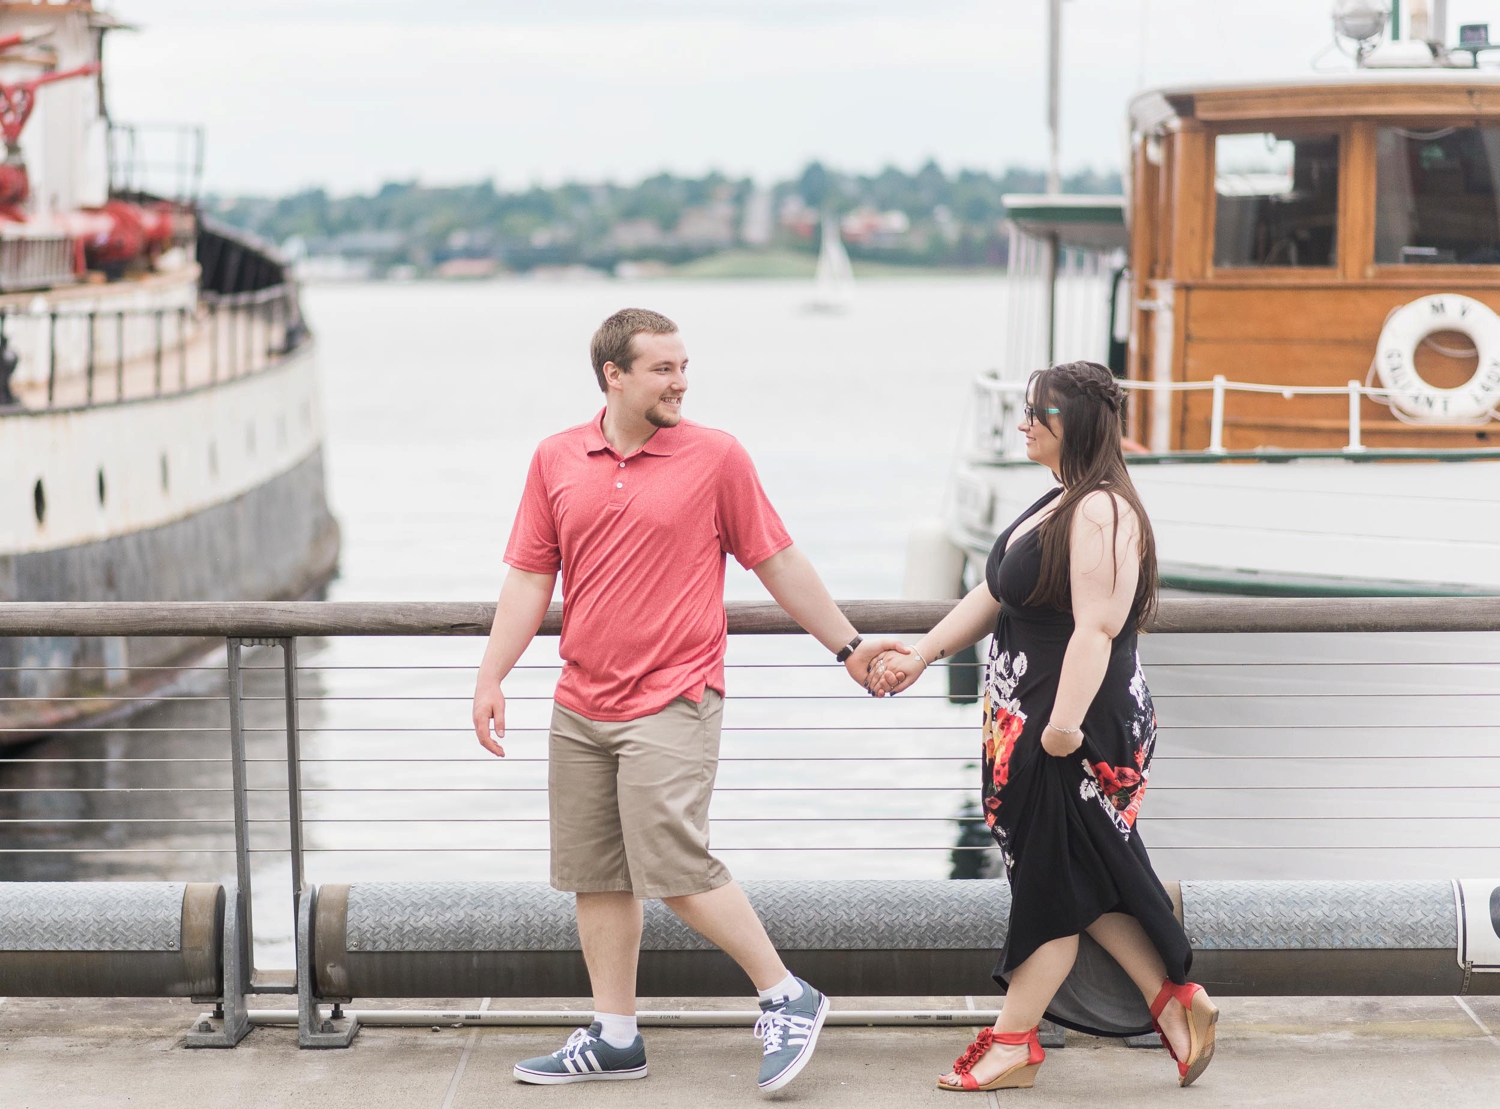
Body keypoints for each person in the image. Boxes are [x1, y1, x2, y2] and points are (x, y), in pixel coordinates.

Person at [471, 307, 899, 1091]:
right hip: (580, 703)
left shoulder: (715, 456)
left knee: (673, 864)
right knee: (596, 874)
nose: (681, 381)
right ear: (615, 375)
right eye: (663, 368)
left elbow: (777, 559)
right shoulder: (556, 457)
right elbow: (531, 576)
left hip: (674, 696)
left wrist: (848, 646)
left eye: (683, 365)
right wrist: (492, 674)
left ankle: (786, 993)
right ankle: (615, 1035)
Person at [870, 361, 1218, 1092]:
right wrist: (925, 652)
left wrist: (1061, 731)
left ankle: (1013, 1040)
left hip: (1071, 732)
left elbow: (1097, 628)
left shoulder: (1102, 511)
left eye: (1039, 413)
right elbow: (995, 592)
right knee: (1082, 876)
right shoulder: (1060, 499)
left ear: (1078, 424)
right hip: (1027, 724)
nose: (1024, 422)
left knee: (1050, 887)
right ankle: (1174, 1002)